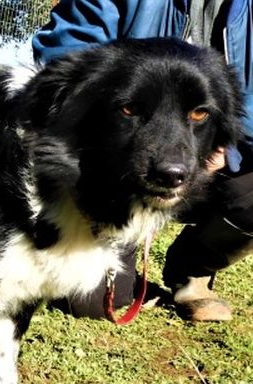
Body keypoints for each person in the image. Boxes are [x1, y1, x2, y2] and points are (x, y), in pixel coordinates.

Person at [32, 0, 253, 321]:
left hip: (209, 158)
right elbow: (67, 54)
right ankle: (119, 238)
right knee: (91, 300)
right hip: (115, 168)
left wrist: (227, 148)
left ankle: (193, 268)